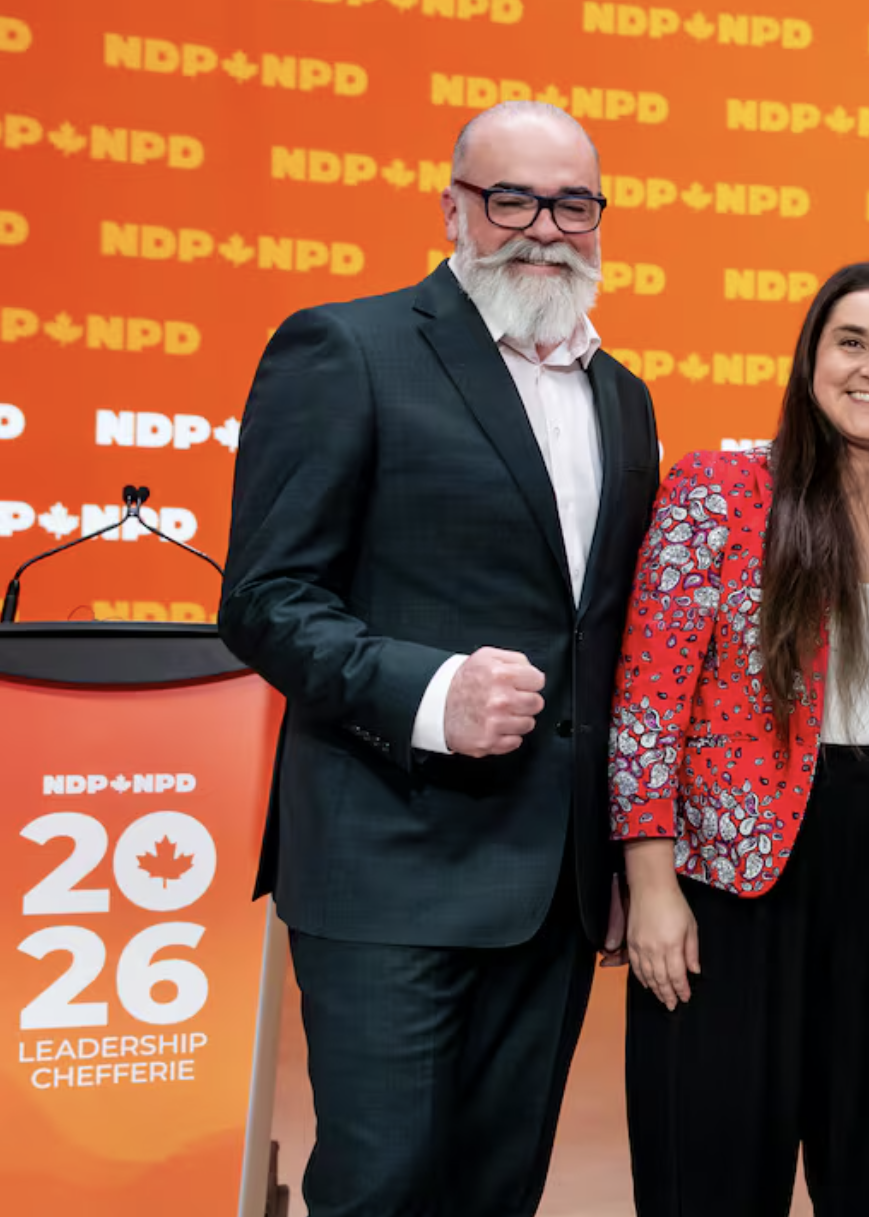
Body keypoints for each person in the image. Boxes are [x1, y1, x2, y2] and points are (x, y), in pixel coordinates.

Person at [220, 101, 660, 1216]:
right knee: (381, 1192)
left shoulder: (624, 396)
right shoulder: (347, 348)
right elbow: (265, 599)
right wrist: (430, 693)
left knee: (496, 1194)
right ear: (453, 209)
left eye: (573, 204)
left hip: (553, 887)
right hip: (390, 862)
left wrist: (617, 853)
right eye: (512, 199)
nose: (544, 228)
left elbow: (603, 639)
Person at [610, 261, 869, 1217]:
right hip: (733, 884)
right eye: (852, 342)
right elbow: (649, 700)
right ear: (811, 357)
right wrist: (650, 885)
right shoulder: (717, 491)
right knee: (715, 1173)